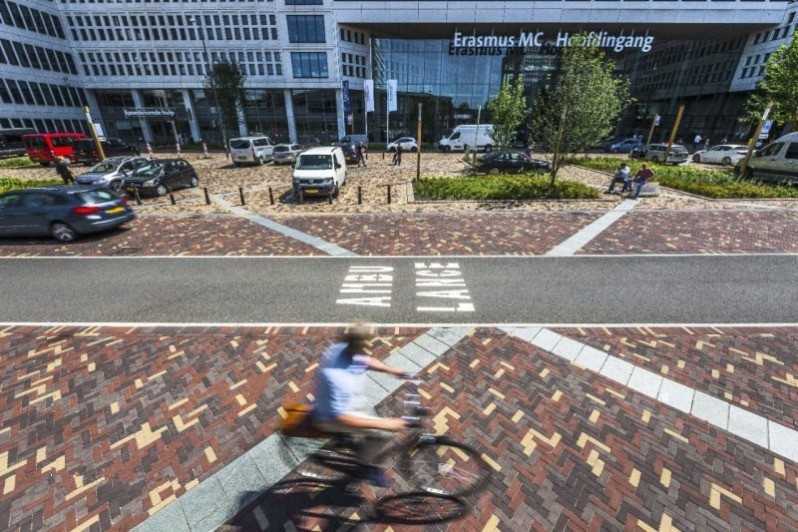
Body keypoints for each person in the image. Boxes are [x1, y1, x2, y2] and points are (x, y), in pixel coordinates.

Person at [311, 323, 412, 487]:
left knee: (371, 418)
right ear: (357, 346)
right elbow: (341, 417)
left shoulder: (342, 348)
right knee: (383, 434)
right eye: (367, 346)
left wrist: (391, 370)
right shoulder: (336, 377)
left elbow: (365, 360)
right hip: (334, 417)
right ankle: (365, 466)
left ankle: (345, 440)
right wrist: (385, 424)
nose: (370, 349)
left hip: (349, 402)